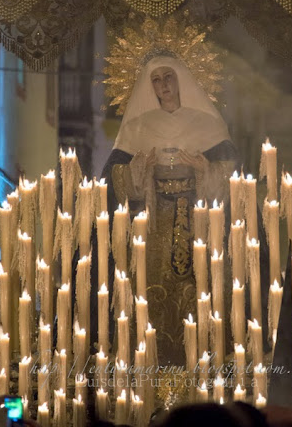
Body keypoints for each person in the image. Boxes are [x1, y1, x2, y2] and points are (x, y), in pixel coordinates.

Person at [101, 55, 236, 364]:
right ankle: (151, 360)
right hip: (155, 223)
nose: (163, 85)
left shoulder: (208, 124)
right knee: (151, 288)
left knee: (200, 286)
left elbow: (232, 177)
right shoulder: (137, 127)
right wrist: (139, 169)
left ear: (182, 79)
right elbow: (114, 178)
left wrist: (204, 168)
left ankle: (204, 360)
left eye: (168, 77)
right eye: (156, 80)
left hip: (199, 220)